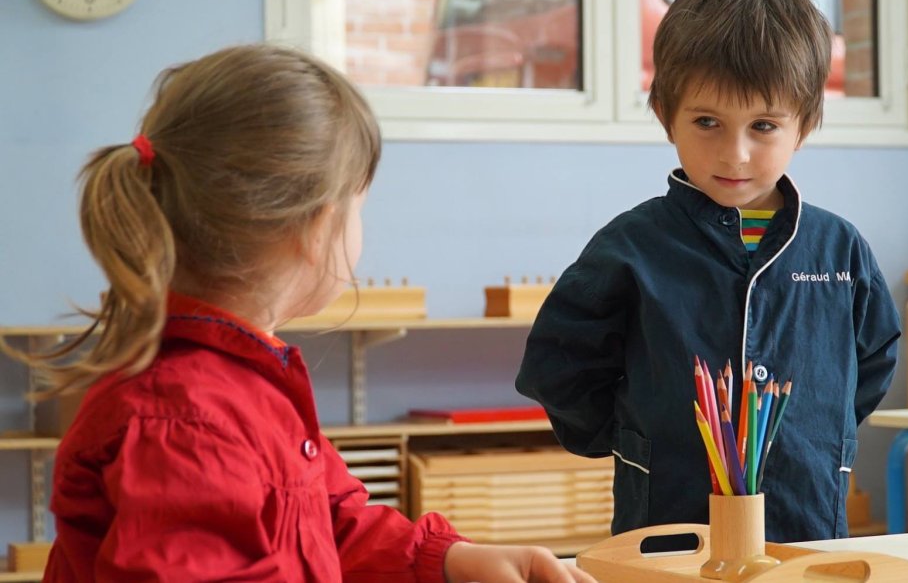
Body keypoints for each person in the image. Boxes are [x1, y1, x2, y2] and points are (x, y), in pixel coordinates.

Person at [8, 45, 593, 582]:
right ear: (318, 227)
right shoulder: (185, 423)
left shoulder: (244, 388)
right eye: (359, 207)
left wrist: (450, 560)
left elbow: (329, 524)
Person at [515, 0, 900, 543]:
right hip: (667, 531)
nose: (735, 153)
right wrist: (630, 436)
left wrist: (823, 435)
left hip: (806, 528)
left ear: (804, 125)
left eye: (763, 125)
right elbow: (559, 364)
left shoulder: (839, 249)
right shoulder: (631, 247)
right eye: (707, 122)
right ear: (666, 115)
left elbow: (872, 364)